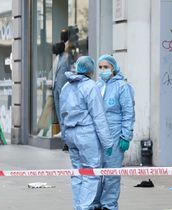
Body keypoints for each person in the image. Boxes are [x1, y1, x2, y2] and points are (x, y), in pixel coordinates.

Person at [59, 56, 114, 210]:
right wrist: (107, 142)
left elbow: (61, 114)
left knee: (77, 173)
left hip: (70, 134)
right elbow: (98, 116)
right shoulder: (90, 86)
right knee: (91, 172)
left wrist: (65, 137)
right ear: (90, 71)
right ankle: (84, 207)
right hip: (86, 135)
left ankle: (78, 206)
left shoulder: (66, 87)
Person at [95, 54, 135, 210]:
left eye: (106, 67)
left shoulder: (122, 87)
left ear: (113, 68)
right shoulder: (97, 86)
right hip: (98, 136)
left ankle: (109, 205)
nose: (103, 70)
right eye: (100, 67)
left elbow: (128, 113)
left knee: (111, 174)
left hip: (115, 135)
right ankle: (96, 203)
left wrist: (126, 136)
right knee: (96, 173)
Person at [52, 29, 72, 151]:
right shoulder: (56, 59)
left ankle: (68, 141)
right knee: (60, 116)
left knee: (66, 115)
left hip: (65, 89)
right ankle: (65, 141)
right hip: (56, 89)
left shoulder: (67, 57)